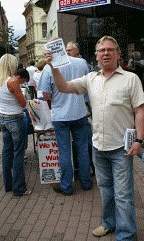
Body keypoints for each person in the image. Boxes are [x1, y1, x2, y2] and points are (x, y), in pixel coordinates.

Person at [44, 36, 144, 240]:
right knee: (106, 191)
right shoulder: (91, 79)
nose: (106, 53)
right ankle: (109, 224)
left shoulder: (130, 79)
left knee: (123, 194)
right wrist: (53, 67)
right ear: (96, 56)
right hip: (99, 147)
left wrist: (139, 141)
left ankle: (126, 234)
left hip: (122, 149)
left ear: (119, 54)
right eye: (102, 50)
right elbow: (64, 87)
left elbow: (140, 111)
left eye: (110, 50)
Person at [38, 46, 92, 196]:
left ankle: (67, 186)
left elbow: (46, 95)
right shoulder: (82, 63)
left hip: (60, 115)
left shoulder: (49, 68)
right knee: (82, 149)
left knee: (64, 151)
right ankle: (86, 182)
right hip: (80, 113)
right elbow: (88, 88)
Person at [0, 54, 31, 196]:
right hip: (15, 118)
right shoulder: (13, 82)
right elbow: (23, 103)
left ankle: (8, 184)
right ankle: (19, 188)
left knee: (6, 152)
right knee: (18, 154)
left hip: (3, 118)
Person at [66, 41, 95, 175]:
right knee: (82, 143)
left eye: (70, 50)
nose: (67, 53)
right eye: (66, 50)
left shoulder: (83, 64)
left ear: (77, 51)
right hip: (77, 107)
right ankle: (84, 170)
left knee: (86, 142)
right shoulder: (69, 64)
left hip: (83, 107)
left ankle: (90, 168)